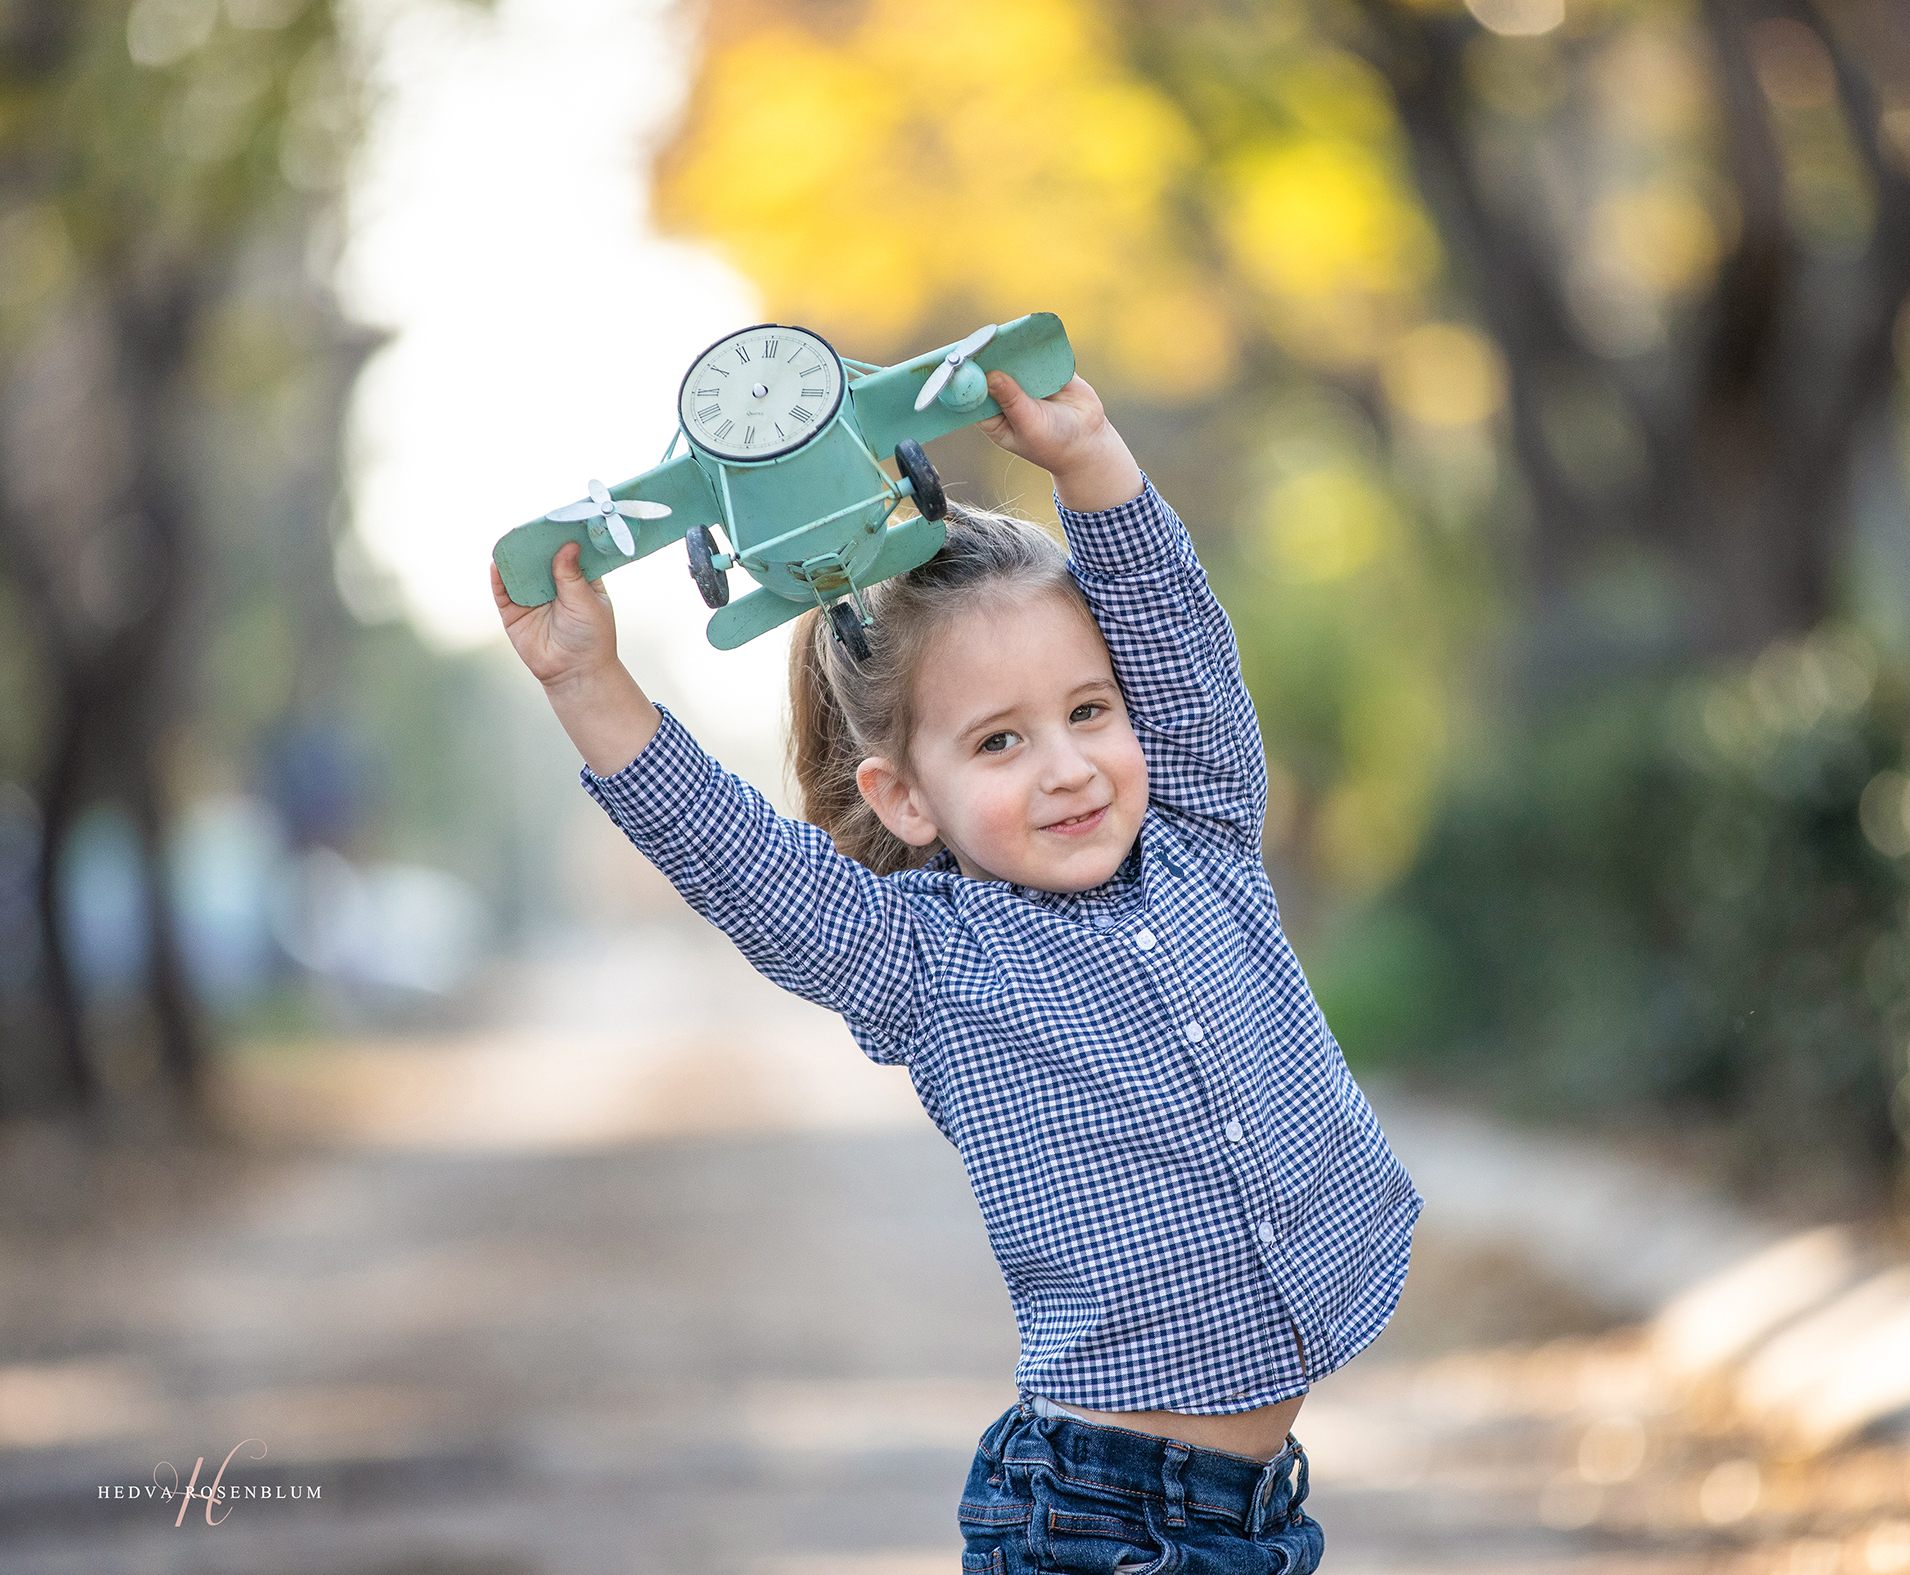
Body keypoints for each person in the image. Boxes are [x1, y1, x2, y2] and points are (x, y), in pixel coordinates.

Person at [490, 367, 1421, 1573]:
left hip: (1251, 1518)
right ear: (905, 798)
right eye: (1000, 741)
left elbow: (1173, 630)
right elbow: (741, 861)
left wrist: (1087, 461)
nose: (1068, 767)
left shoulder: (1205, 835)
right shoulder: (925, 957)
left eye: (1090, 711)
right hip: (1099, 1522)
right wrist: (587, 684)